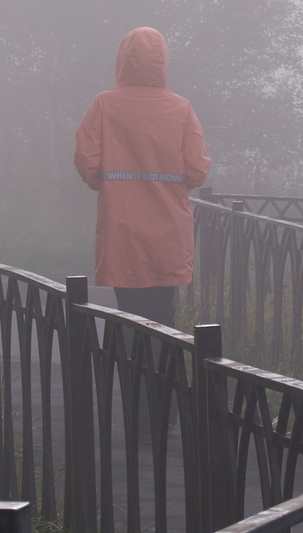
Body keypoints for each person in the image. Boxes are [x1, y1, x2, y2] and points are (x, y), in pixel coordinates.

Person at [73, 27, 211, 328]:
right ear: (163, 62)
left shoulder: (105, 105)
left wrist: (106, 184)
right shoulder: (181, 108)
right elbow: (197, 169)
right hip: (169, 230)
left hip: (122, 228)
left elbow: (86, 160)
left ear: (123, 59)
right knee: (164, 315)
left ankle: (131, 369)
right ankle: (164, 372)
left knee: (128, 315)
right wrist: (169, 187)